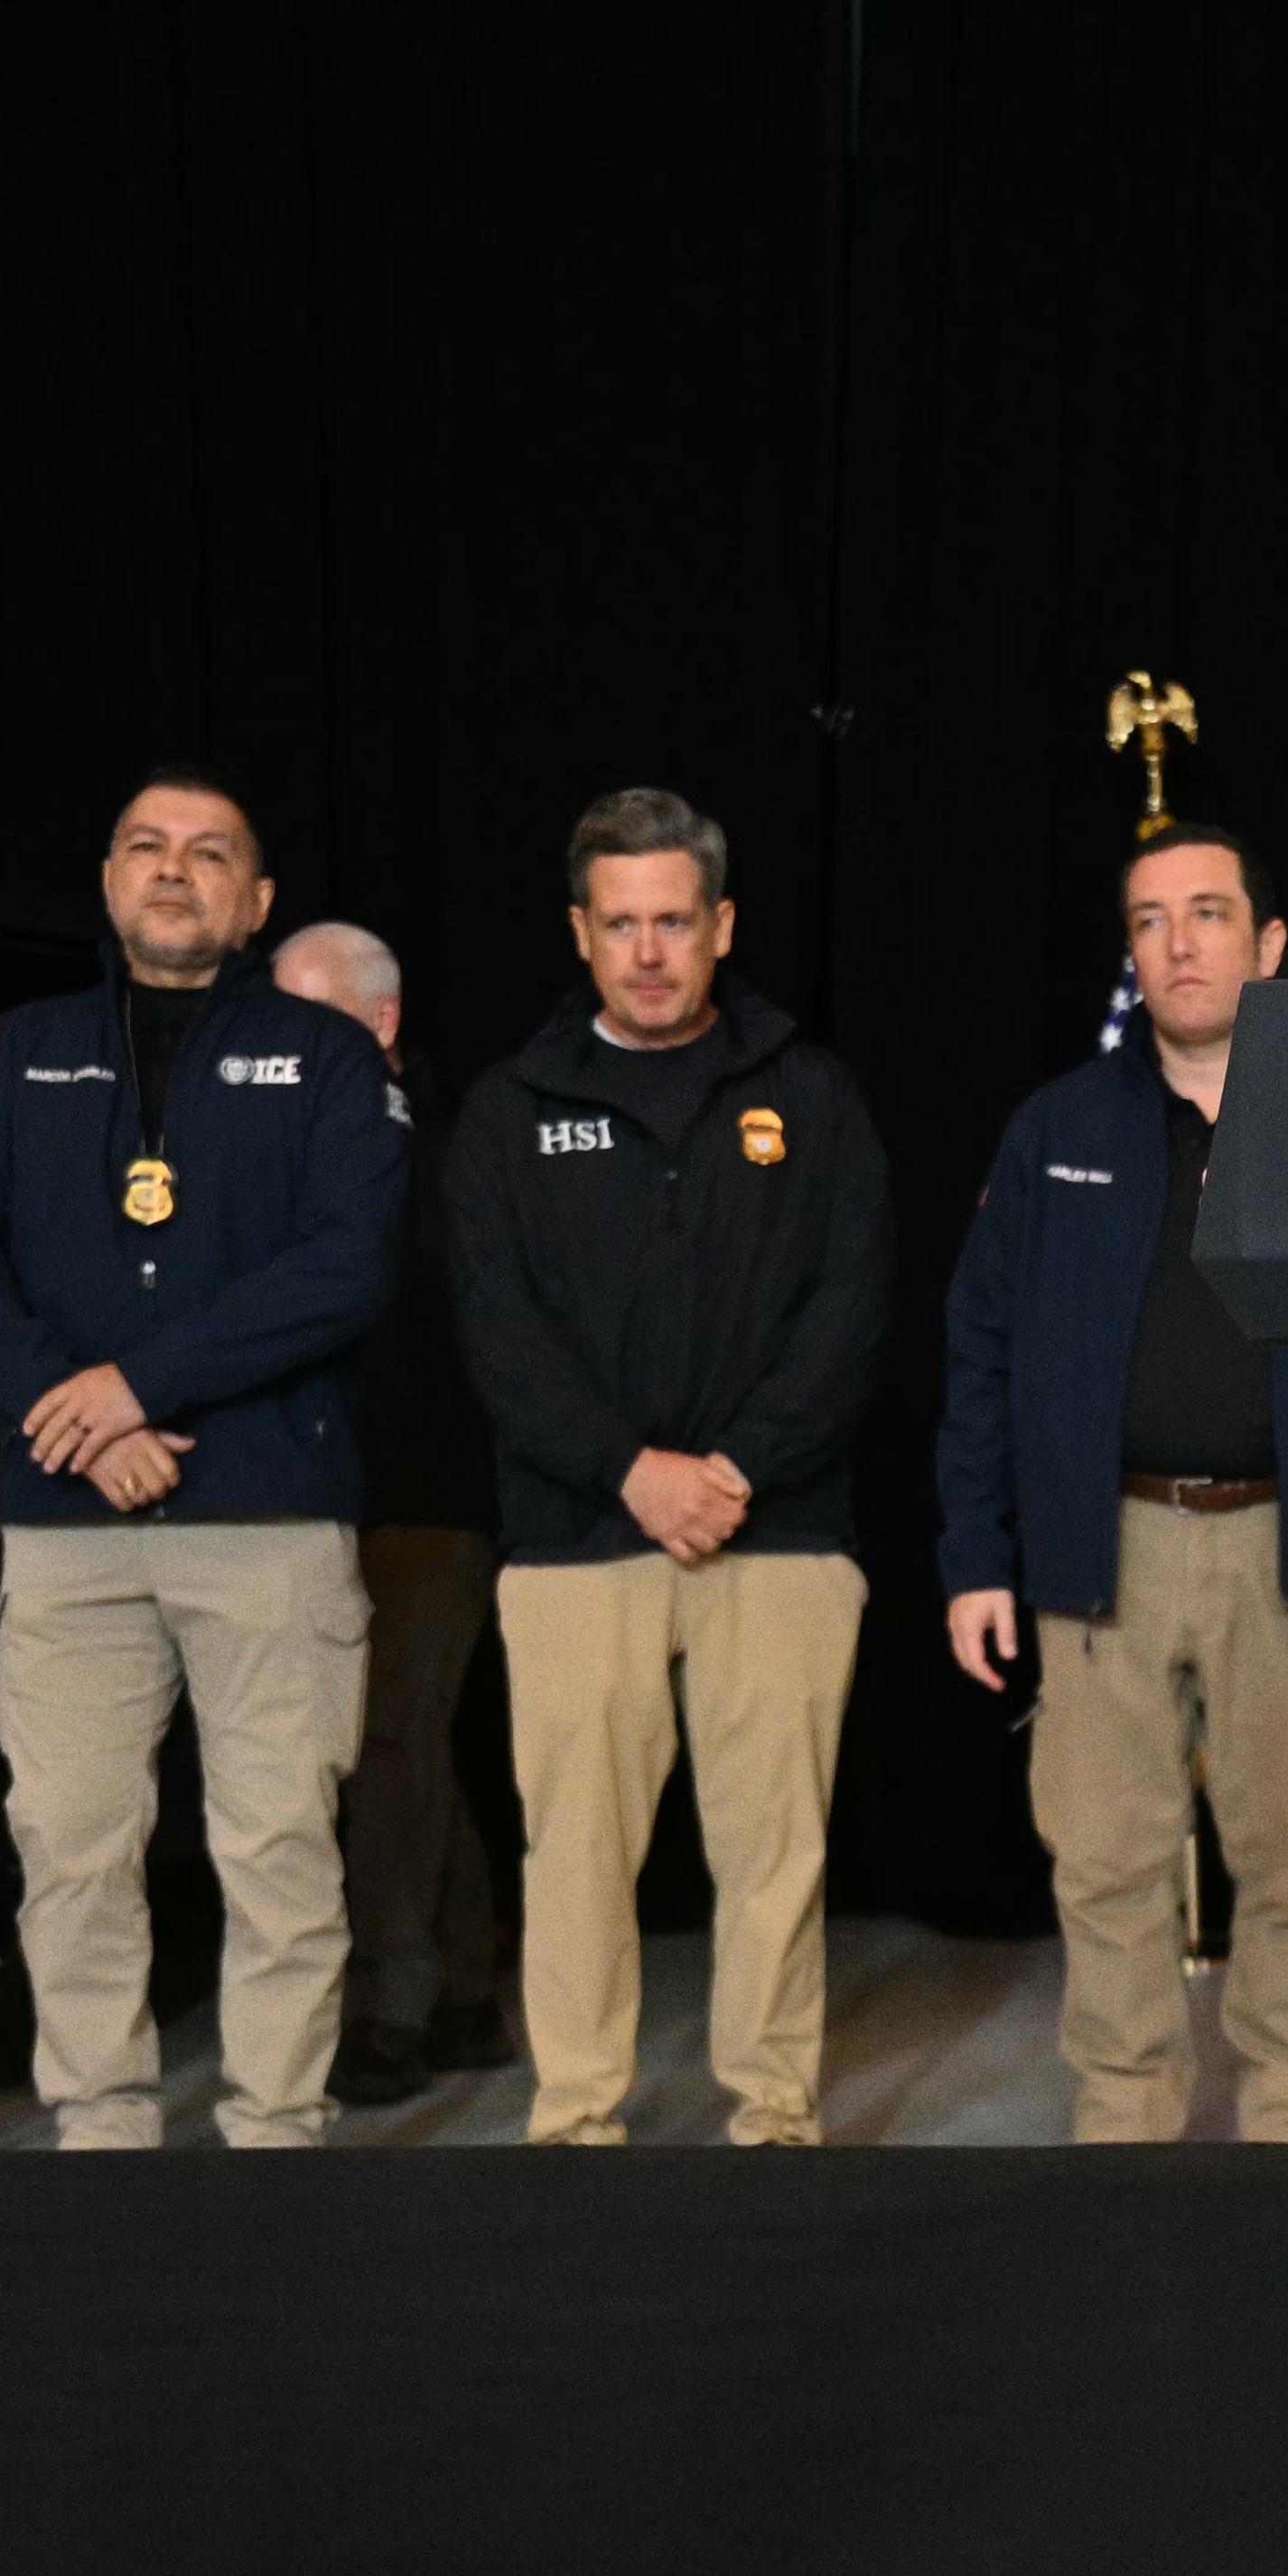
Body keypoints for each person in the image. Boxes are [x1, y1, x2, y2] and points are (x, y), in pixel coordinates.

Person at [0, 769, 405, 2150]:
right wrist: (69, 1402)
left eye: (208, 852)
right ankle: (102, 2138)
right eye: (146, 846)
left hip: (269, 1516)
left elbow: (348, 1266)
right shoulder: (12, 1053)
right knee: (69, 1851)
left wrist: (134, 1387)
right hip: (68, 1525)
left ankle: (275, 2137)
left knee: (278, 1852)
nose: (173, 868)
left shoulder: (327, 1057)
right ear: (111, 880)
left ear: (257, 899)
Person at [943, 825, 1288, 2142]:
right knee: (1104, 1862)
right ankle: (1124, 2123)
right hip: (1101, 1546)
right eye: (1150, 920)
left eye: (1208, 913)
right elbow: (981, 1349)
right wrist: (974, 1556)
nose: (1178, 944)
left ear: (1271, 942)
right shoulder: (1059, 1129)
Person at [447, 787, 897, 2149]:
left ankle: (773, 2120)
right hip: (578, 1539)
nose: (648, 953)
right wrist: (629, 1471)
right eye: (621, 924)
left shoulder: (810, 1094)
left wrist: (737, 1468)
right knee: (576, 1858)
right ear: (580, 933)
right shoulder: (508, 1110)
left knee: (776, 1857)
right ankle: (578, 2124)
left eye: (674, 923)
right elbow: (497, 1326)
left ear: (723, 926)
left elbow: (851, 1307)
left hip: (781, 1533)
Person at [271, 920, 517, 2105]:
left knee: (388, 1741)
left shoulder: (450, 1152)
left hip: (429, 1489)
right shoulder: (276, 1145)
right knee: (400, 1746)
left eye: (309, 1018)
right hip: (312, 1489)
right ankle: (466, 1988)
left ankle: (390, 2005)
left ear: (382, 1024)